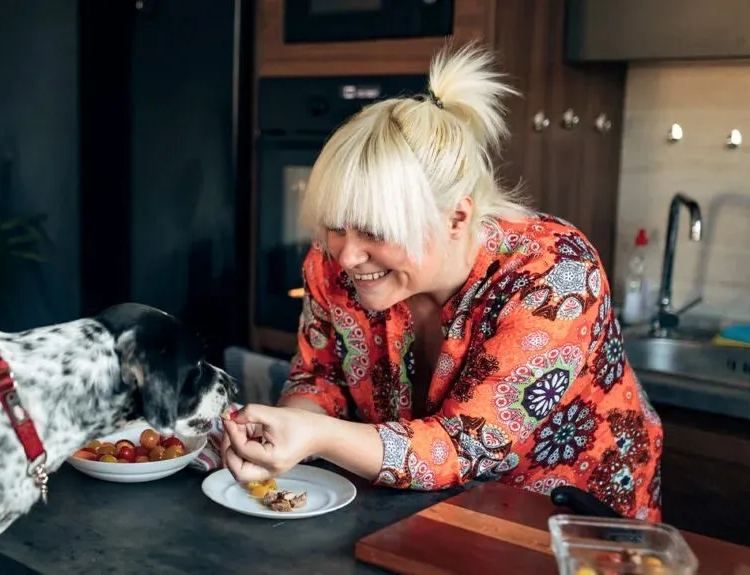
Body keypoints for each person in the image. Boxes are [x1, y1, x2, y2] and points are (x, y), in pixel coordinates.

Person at [221, 43, 663, 521]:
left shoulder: (555, 275)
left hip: (569, 523)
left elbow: (466, 444)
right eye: (336, 225)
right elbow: (321, 375)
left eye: (375, 231)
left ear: (456, 217)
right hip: (420, 515)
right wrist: (288, 429)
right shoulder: (331, 263)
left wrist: (319, 437)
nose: (347, 255)